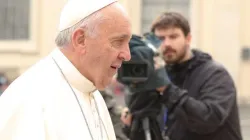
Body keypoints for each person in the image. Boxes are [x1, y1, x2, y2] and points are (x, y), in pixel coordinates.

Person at [0, 0, 132, 139]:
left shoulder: (94, 94)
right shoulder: (29, 101)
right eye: (118, 42)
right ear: (81, 40)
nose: (127, 55)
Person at [121, 12, 242, 140]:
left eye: (173, 37)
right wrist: (131, 123)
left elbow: (208, 120)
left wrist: (166, 89)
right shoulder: (158, 74)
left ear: (188, 39)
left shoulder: (215, 74)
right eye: (161, 39)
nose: (167, 44)